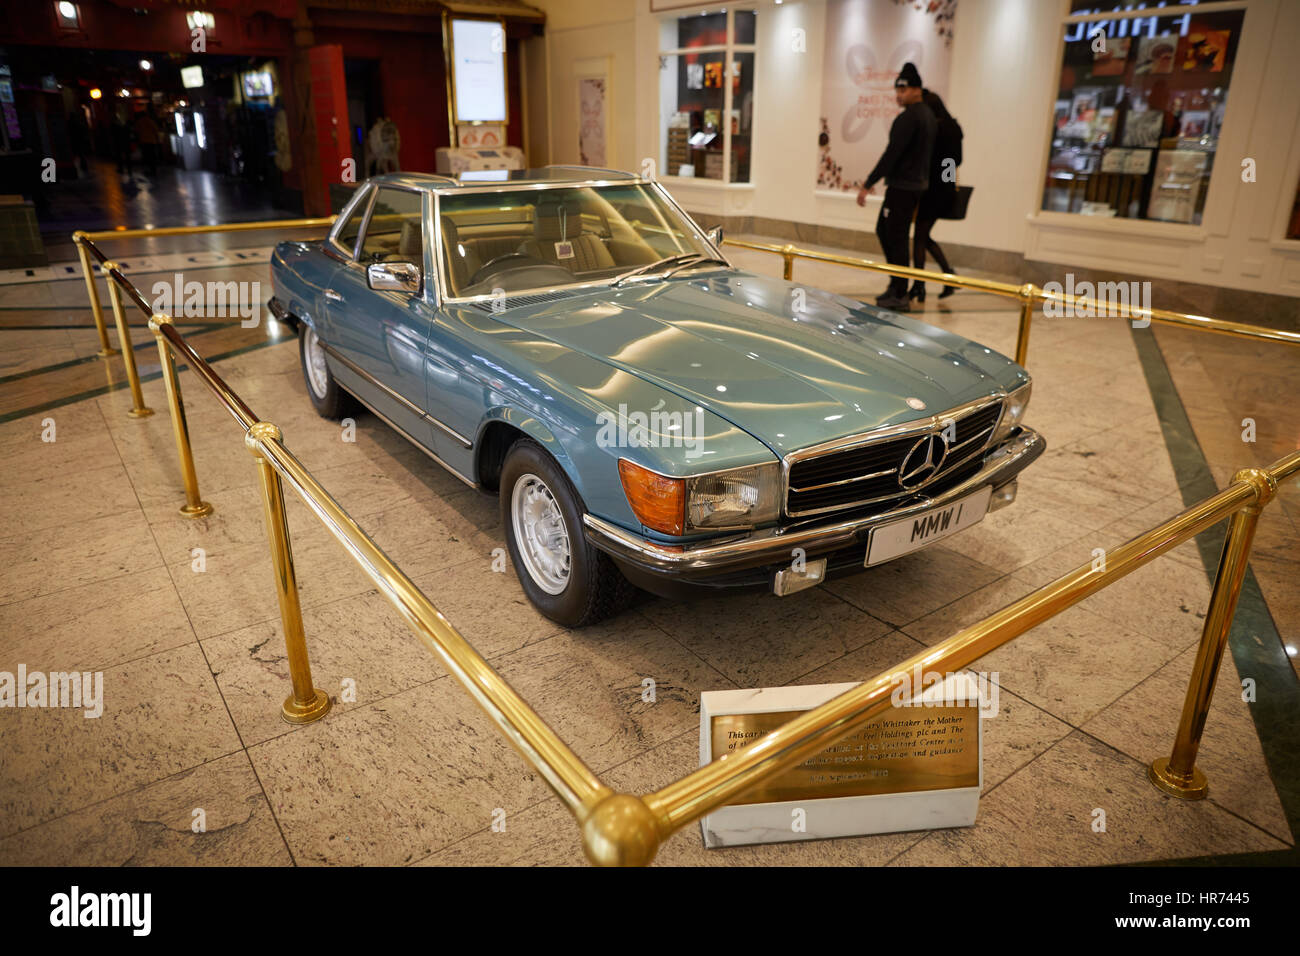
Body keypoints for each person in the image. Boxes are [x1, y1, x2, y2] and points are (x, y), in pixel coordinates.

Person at [856, 62, 936, 311]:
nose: (899, 96)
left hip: (902, 188)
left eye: (903, 90)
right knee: (890, 232)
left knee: (894, 235)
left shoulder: (910, 118)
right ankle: (897, 285)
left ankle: (899, 291)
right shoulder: (928, 116)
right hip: (914, 187)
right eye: (897, 91)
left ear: (916, 90)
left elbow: (891, 155)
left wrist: (869, 183)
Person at [910, 89, 962, 302]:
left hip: (933, 191)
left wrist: (939, 181)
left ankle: (921, 285)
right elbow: (955, 160)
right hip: (941, 190)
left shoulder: (937, 129)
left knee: (920, 237)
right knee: (923, 237)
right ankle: (947, 277)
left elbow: (936, 160)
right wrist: (947, 182)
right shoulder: (953, 128)